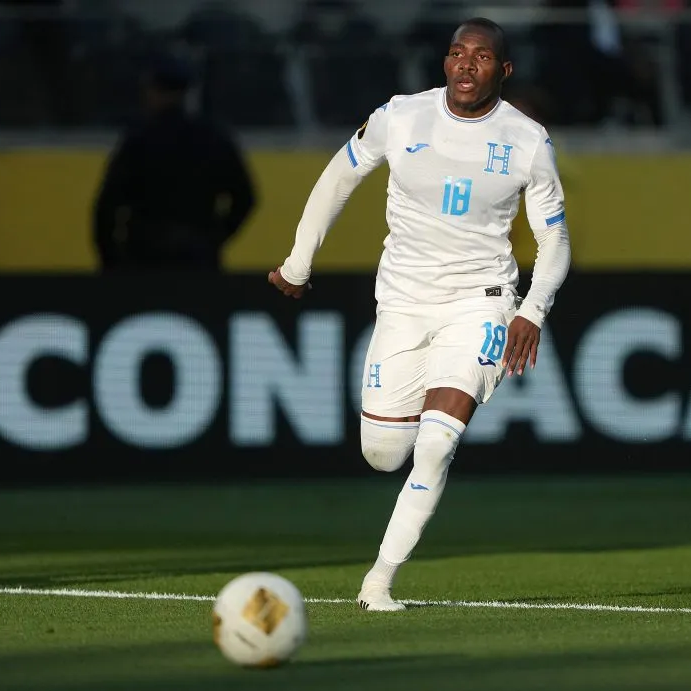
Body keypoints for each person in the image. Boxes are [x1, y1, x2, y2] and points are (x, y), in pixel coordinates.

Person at [268, 18, 571, 611]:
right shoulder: (401, 116)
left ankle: (378, 581)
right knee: (382, 453)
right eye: (457, 53)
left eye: (482, 57)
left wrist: (531, 309)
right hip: (402, 303)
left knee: (436, 442)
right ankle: (390, 485)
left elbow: (555, 240)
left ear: (502, 71)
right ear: (444, 61)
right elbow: (337, 179)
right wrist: (299, 261)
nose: (466, 65)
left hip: (481, 300)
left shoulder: (528, 141)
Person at [92, 52, 255, 270]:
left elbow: (107, 205)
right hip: (198, 258)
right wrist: (214, 238)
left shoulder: (138, 139)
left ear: (152, 90)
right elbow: (246, 197)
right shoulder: (214, 137)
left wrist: (110, 259)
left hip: (143, 256)